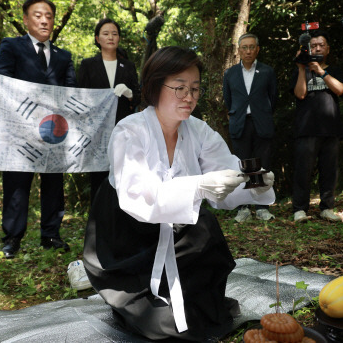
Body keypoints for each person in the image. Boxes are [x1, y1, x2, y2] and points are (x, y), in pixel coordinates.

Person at [83, 46, 275, 341]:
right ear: (155, 87)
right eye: (180, 88)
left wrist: (255, 184)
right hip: (127, 236)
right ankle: (138, 295)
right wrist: (196, 186)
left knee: (206, 232)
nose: (190, 97)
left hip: (176, 230)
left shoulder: (198, 131)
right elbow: (136, 196)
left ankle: (193, 294)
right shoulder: (130, 131)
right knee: (161, 323)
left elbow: (226, 176)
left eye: (195, 89)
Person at [0, 0, 76, 259]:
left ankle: (51, 234)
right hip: (19, 130)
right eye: (38, 15)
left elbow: (71, 92)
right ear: (26, 19)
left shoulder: (64, 56)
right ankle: (12, 238)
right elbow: (2, 81)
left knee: (53, 183)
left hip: (53, 131)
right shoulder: (11, 46)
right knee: (17, 183)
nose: (44, 20)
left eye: (49, 16)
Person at [77, 18, 140, 204]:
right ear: (97, 38)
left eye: (114, 33)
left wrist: (129, 93)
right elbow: (80, 96)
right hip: (96, 130)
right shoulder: (88, 64)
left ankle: (123, 216)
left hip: (123, 127)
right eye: (105, 33)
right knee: (98, 175)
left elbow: (138, 96)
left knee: (123, 172)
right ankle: (97, 222)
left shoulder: (127, 66)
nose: (110, 37)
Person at [289, 29, 343, 223]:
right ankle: (299, 209)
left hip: (331, 129)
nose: (317, 48)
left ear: (328, 48)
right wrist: (301, 68)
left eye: (321, 45)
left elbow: (340, 89)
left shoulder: (334, 70)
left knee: (329, 170)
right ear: (308, 48)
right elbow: (300, 94)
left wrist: (321, 72)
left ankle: (327, 208)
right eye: (313, 45)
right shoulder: (301, 70)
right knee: (303, 170)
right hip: (306, 129)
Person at [223, 33, 277, 222]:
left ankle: (262, 207)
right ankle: (243, 207)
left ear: (257, 49)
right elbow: (228, 100)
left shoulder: (267, 71)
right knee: (241, 164)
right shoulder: (230, 74)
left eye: (251, 47)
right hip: (239, 123)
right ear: (238, 50)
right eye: (244, 47)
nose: (248, 51)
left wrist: (262, 112)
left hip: (262, 123)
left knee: (262, 165)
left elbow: (273, 98)